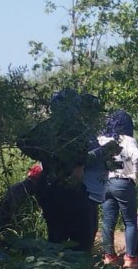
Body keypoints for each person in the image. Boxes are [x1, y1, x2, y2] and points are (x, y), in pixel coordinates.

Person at [16, 89, 103, 253]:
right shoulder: (76, 129)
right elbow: (80, 158)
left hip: (48, 187)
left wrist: (45, 156)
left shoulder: (47, 126)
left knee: (55, 236)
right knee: (82, 238)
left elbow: (23, 141)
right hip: (71, 188)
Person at [86, 110, 138, 269]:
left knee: (108, 221)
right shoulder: (127, 140)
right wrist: (135, 175)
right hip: (124, 182)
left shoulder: (102, 139)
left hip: (106, 182)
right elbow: (137, 156)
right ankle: (130, 258)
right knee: (130, 221)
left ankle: (109, 256)